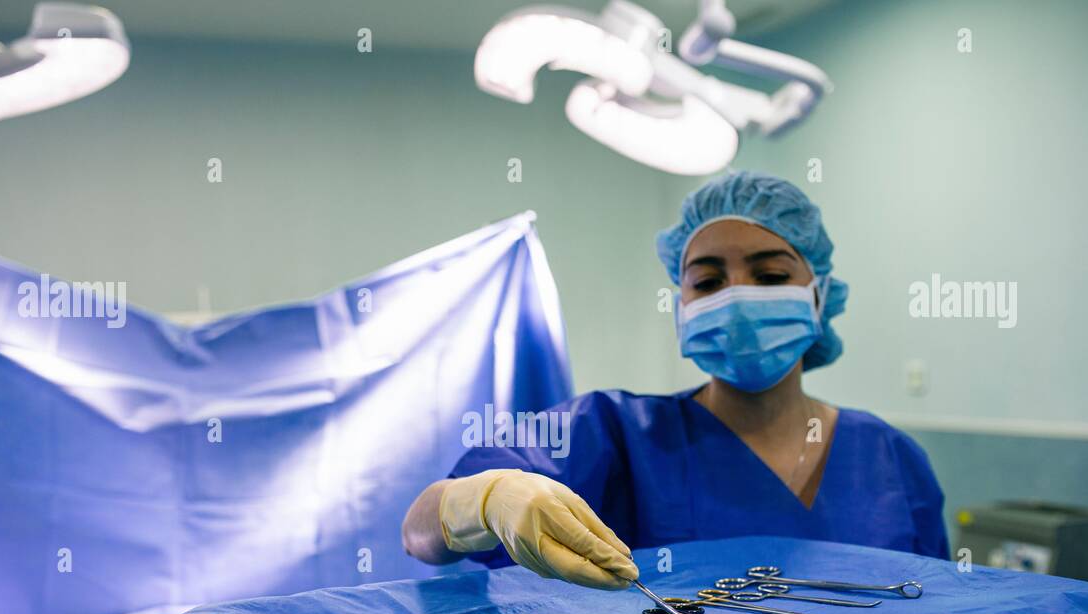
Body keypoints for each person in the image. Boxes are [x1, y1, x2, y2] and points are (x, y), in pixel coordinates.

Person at [402, 170, 949, 589]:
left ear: (819, 294)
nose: (735, 297)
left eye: (771, 275)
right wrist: (486, 500)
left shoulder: (892, 460)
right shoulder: (618, 434)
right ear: (682, 307)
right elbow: (419, 532)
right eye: (708, 281)